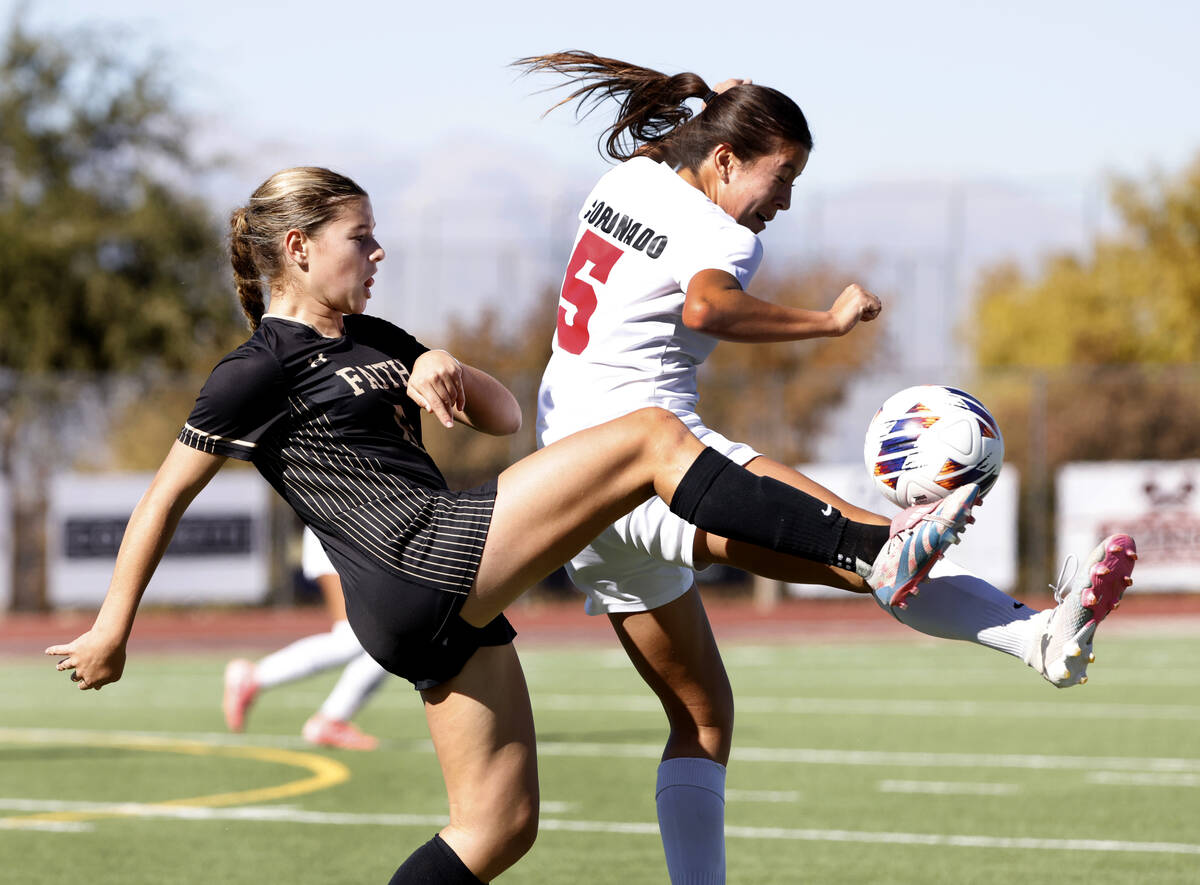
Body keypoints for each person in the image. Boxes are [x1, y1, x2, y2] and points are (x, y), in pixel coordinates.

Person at [43, 165, 978, 884]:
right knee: (651, 434)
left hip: (437, 595)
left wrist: (443, 365)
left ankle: (866, 548)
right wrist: (113, 627)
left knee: (499, 828)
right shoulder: (255, 368)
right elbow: (164, 494)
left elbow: (499, 418)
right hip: (419, 555)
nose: (377, 254)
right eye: (360, 239)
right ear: (297, 247)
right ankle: (873, 548)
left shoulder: (376, 338)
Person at [515, 51, 1139, 884]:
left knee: (703, 714)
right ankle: (1036, 637)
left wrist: (721, 102)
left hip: (571, 486)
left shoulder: (624, 181)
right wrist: (829, 319)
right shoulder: (721, 232)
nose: (784, 201)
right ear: (727, 160)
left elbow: (678, 154)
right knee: (880, 553)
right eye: (783, 176)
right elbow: (706, 304)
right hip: (650, 456)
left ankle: (1038, 637)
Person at [222, 526, 390, 750]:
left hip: (365, 532)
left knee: (393, 641)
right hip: (340, 529)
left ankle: (331, 720)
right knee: (353, 639)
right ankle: (254, 677)